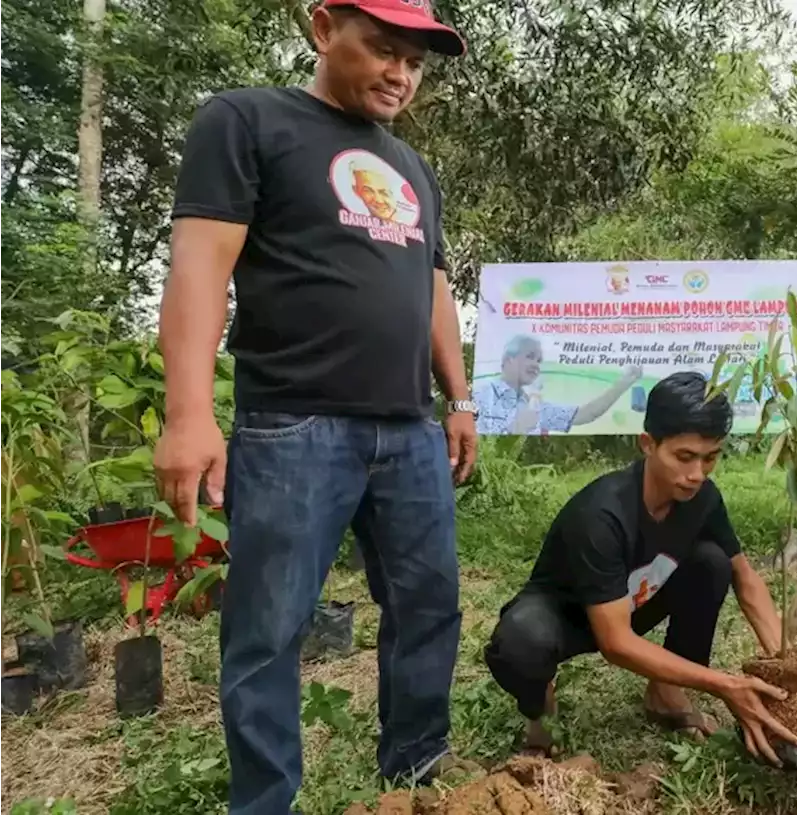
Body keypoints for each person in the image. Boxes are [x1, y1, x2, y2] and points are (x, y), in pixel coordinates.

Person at [152, 1, 477, 812]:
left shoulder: (410, 166)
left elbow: (433, 287)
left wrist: (461, 396)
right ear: (324, 27)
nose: (401, 72)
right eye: (384, 49)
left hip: (408, 431)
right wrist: (189, 411)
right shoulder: (247, 120)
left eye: (416, 61)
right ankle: (264, 800)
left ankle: (413, 775)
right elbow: (200, 265)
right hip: (295, 426)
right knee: (268, 629)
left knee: (429, 605)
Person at [482, 371, 797, 767]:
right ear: (648, 444)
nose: (697, 474)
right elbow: (615, 643)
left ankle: (665, 693)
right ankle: (541, 710)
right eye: (684, 457)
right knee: (519, 642)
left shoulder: (703, 498)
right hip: (568, 618)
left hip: (631, 602)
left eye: (710, 457)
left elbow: (746, 577)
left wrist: (786, 662)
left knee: (713, 562)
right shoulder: (601, 514)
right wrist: (726, 686)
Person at [475, 334, 643, 435]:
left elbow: (586, 414)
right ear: (508, 359)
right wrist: (515, 428)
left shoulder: (535, 407)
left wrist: (624, 383)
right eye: (530, 356)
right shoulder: (482, 395)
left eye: (539, 360)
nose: (536, 365)